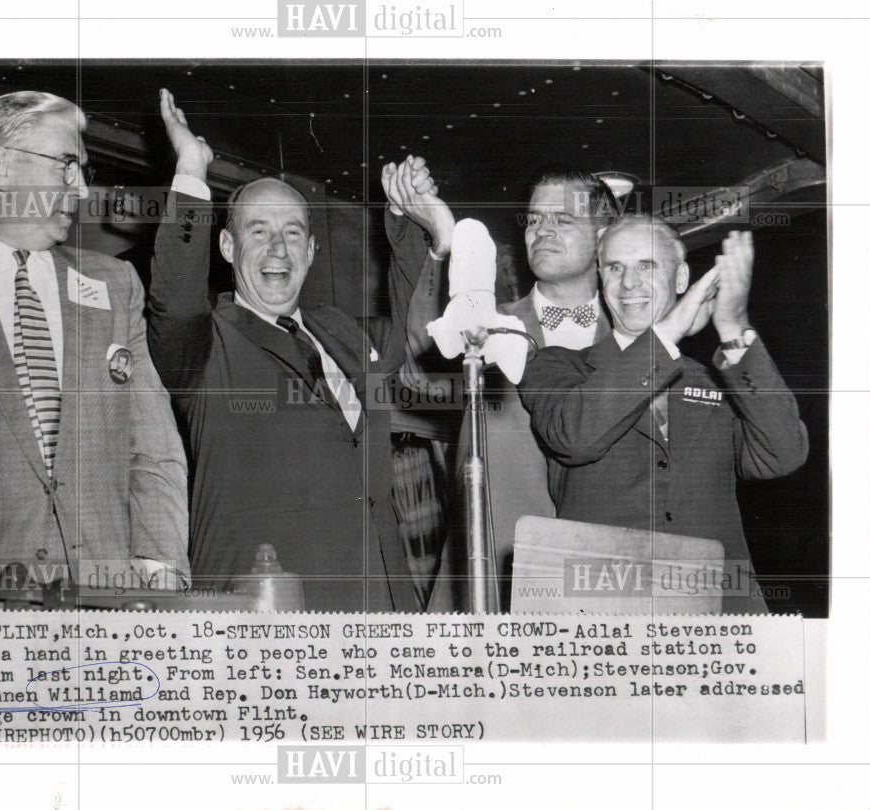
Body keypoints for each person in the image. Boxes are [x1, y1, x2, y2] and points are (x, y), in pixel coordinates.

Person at [147, 90, 449, 612]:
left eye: (292, 233)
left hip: (377, 607)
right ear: (226, 247)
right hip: (264, 618)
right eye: (257, 232)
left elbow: (409, 335)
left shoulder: (339, 332)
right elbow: (172, 297)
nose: (278, 250)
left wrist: (406, 220)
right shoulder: (203, 344)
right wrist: (192, 171)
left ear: (311, 250)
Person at [0, 91, 190, 594]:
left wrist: (158, 576)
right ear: (4, 167)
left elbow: (153, 450)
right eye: (67, 164)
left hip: (107, 610)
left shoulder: (114, 284)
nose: (80, 189)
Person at [518, 216, 809, 613]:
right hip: (600, 614)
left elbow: (782, 455)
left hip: (719, 614)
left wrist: (734, 328)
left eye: (647, 265)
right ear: (601, 280)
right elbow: (574, 438)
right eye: (615, 267)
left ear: (681, 278)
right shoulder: (557, 365)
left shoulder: (719, 380)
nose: (629, 283)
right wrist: (668, 332)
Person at [398, 167, 618, 611]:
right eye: (535, 220)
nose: (543, 231)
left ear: (604, 236)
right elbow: (419, 372)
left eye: (564, 220)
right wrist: (444, 245)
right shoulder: (484, 324)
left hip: (606, 590)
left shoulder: (638, 346)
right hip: (491, 585)